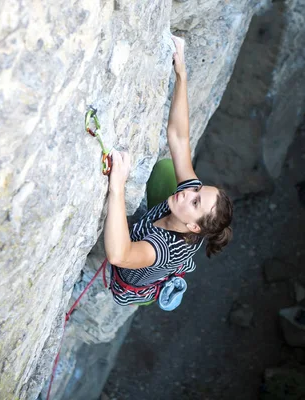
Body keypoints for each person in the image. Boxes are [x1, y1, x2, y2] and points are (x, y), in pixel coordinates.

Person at [104, 35, 233, 307]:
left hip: (130, 278)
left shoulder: (163, 249)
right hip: (156, 234)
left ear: (193, 227)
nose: (188, 192)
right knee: (165, 168)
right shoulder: (189, 207)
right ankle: (139, 220)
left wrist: (118, 187)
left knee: (123, 239)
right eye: (197, 189)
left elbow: (118, 254)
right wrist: (182, 74)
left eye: (196, 200)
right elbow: (178, 137)